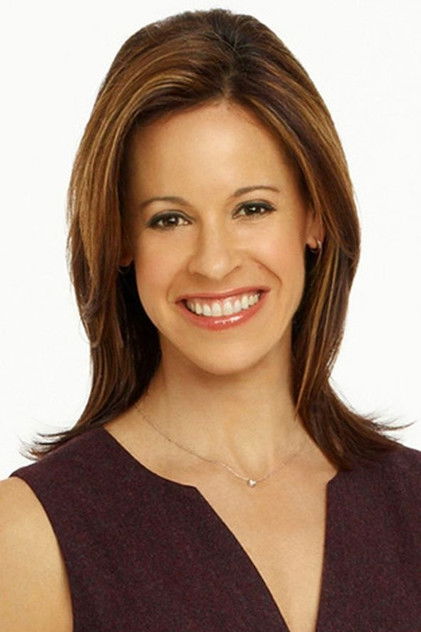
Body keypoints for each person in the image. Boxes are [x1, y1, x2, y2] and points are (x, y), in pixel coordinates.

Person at [0, 8, 420, 632]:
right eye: (169, 219)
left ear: (314, 216)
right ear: (121, 240)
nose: (215, 262)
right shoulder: (32, 535)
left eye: (252, 208)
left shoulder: (412, 505)